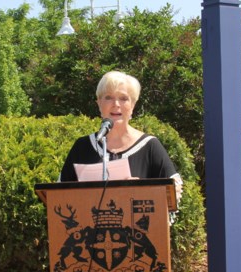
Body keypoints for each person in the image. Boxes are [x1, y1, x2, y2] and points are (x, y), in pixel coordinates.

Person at [59, 70, 183, 201]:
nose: (116, 104)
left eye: (123, 98)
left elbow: (175, 189)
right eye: (108, 97)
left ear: (133, 105)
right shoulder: (82, 146)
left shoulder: (150, 146)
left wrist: (143, 191)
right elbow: (59, 193)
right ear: (99, 104)